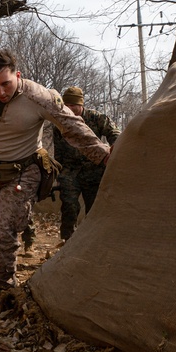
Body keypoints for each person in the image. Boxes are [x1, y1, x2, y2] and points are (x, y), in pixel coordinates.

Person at [0, 50, 110, 298]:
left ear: (18, 75)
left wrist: (104, 154)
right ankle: (1, 270)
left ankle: (3, 286)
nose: (0, 92)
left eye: (6, 84)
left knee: (2, 228)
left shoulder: (39, 96)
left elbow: (72, 125)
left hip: (23, 171)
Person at [52, 86, 121, 241]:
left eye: (72, 105)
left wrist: (114, 151)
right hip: (70, 172)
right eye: (66, 105)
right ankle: (67, 241)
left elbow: (114, 133)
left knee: (94, 210)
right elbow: (59, 152)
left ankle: (93, 241)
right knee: (69, 206)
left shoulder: (96, 118)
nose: (69, 109)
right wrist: (60, 173)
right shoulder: (60, 122)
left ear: (81, 104)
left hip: (94, 171)